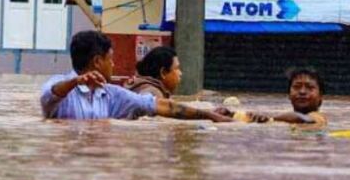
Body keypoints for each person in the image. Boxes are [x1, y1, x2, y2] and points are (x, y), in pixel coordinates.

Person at [41, 31, 231, 122]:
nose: (114, 65)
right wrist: (76, 81)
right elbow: (51, 94)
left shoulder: (112, 94)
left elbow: (161, 105)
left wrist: (209, 114)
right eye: (111, 59)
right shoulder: (58, 87)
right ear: (97, 62)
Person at [218, 67, 328, 127]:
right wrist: (231, 114)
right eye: (297, 87)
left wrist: (270, 119)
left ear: (321, 97)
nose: (302, 92)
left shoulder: (319, 118)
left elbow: (301, 118)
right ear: (289, 95)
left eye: (309, 87)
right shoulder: (286, 121)